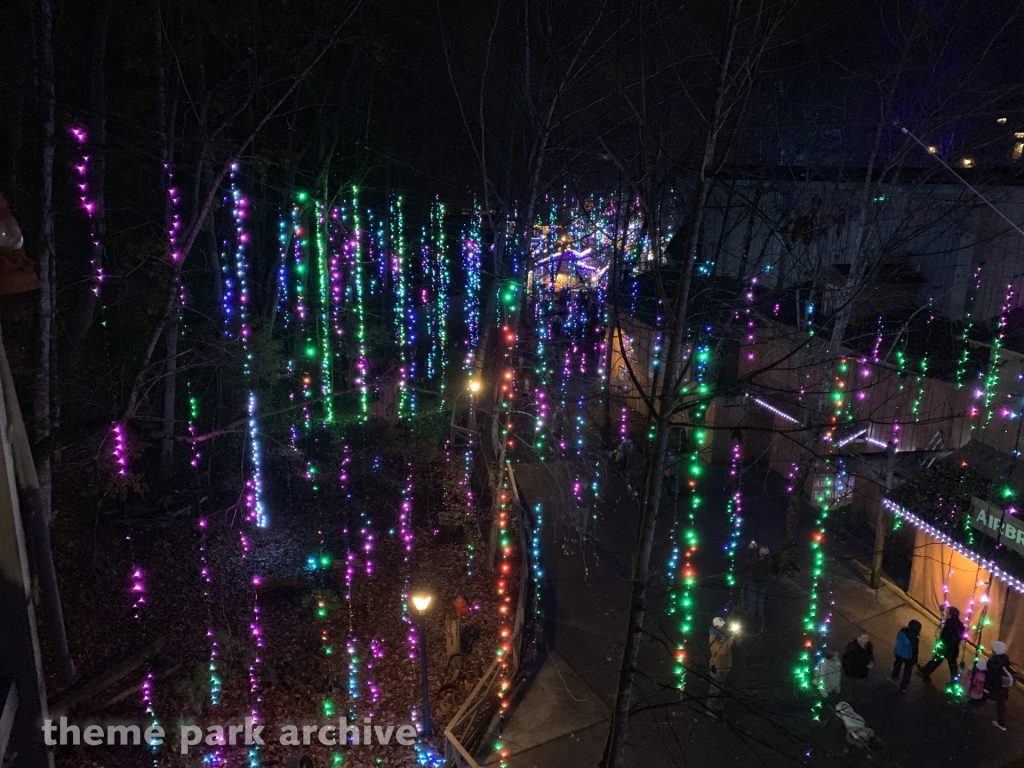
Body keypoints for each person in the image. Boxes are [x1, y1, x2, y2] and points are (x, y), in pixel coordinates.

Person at [920, 606, 965, 684]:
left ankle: (926, 671)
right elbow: (962, 636)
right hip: (953, 649)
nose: (946, 613)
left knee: (936, 660)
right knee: (953, 665)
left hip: (945, 647)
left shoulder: (949, 624)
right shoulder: (960, 625)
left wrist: (940, 641)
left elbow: (945, 636)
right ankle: (954, 682)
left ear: (950, 614)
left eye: (948, 612)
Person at [708, 617, 742, 713]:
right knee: (714, 691)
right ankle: (709, 711)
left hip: (725, 667)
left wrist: (736, 636)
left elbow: (736, 645)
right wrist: (731, 639)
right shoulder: (713, 637)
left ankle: (717, 709)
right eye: (721, 626)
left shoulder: (723, 635)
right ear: (716, 626)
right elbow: (722, 650)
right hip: (716, 667)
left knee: (720, 690)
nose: (723, 628)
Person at [985, 641, 1015, 731]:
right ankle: (1002, 722)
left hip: (995, 686)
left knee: (984, 696)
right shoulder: (1005, 658)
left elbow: (991, 676)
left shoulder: (993, 661)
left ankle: (972, 706)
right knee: (1001, 704)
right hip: (1003, 686)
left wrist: (987, 688)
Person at [842, 632, 874, 704]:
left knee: (859, 686)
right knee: (851, 686)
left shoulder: (868, 646)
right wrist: (866, 665)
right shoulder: (852, 650)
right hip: (853, 673)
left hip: (862, 672)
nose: (866, 640)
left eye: (867, 638)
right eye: (863, 638)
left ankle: (857, 697)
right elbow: (851, 664)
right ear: (858, 638)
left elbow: (870, 655)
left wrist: (871, 661)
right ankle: (849, 700)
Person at [891, 620, 922, 692]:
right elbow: (914, 650)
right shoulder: (915, 638)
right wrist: (915, 660)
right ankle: (903, 686)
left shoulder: (903, 630)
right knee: (908, 670)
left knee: (897, 662)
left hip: (898, 652)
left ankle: (895, 673)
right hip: (908, 657)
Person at [746, 546, 772, 618]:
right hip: (763, 581)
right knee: (760, 598)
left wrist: (751, 549)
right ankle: (760, 613)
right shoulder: (769, 560)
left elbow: (749, 562)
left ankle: (752, 613)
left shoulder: (757, 560)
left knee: (752, 597)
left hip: (754, 581)